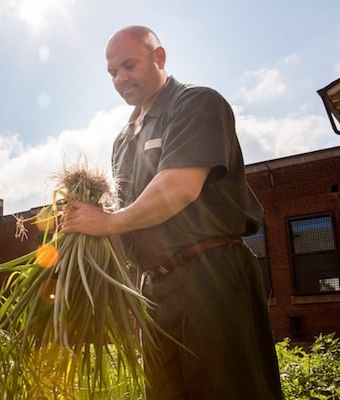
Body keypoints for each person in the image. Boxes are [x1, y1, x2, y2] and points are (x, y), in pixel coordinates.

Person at [61, 25, 284, 399]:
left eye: (128, 65)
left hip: (210, 276)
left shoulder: (196, 103)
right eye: (112, 72)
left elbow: (179, 187)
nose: (120, 78)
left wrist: (108, 222)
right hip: (156, 291)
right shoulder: (122, 139)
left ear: (159, 58)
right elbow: (128, 220)